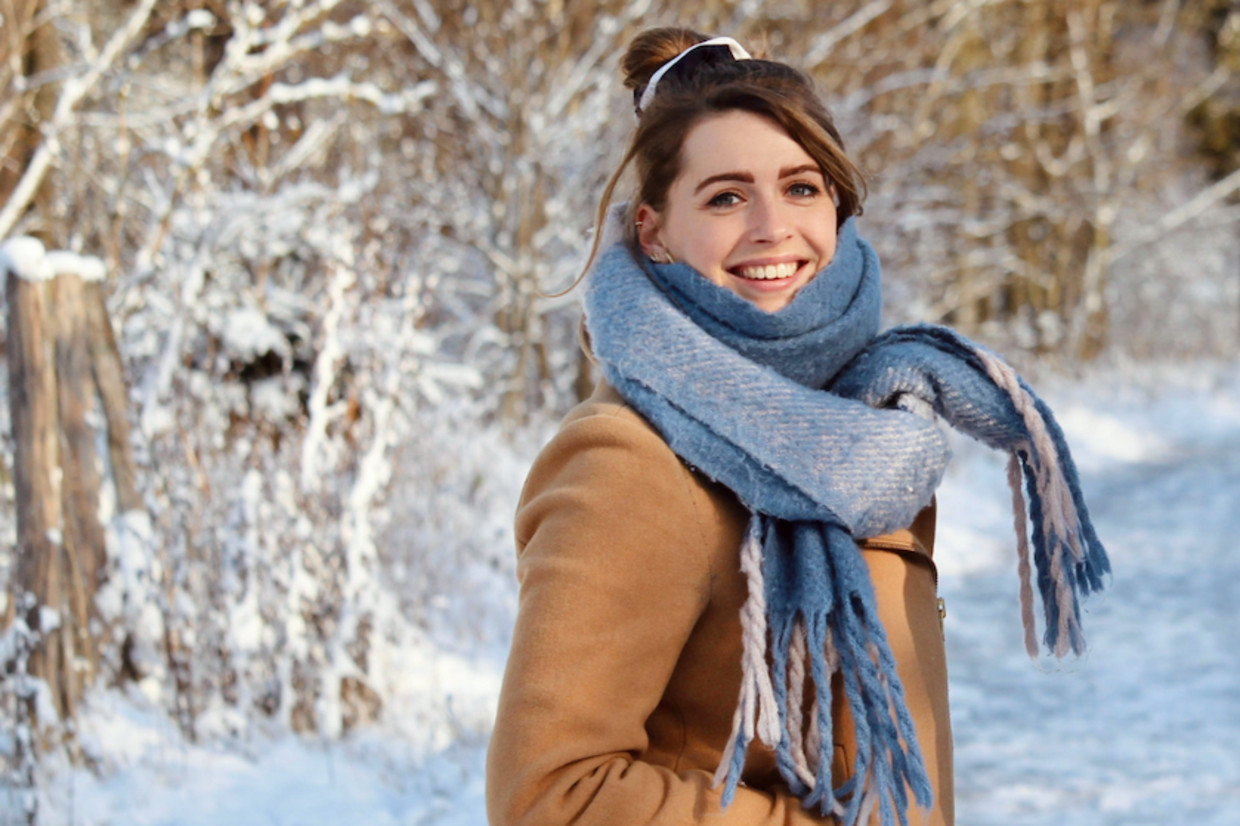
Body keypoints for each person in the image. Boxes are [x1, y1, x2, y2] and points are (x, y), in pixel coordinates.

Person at [486, 27, 1109, 826]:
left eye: (802, 187)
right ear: (653, 230)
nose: (773, 227)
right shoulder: (628, 463)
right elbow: (551, 795)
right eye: (726, 196)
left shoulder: (866, 428)